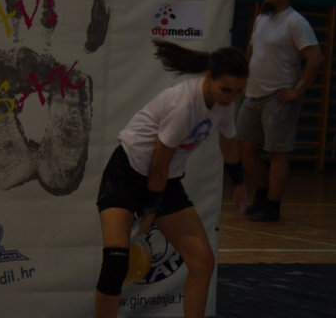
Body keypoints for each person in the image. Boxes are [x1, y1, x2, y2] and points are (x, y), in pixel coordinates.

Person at [94, 40, 249, 318]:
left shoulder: (223, 104)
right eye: (226, 89)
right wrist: (150, 212)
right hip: (127, 172)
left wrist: (238, 182)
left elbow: (228, 142)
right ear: (209, 77)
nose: (231, 98)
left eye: (238, 91)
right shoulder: (183, 105)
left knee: (202, 262)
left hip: (165, 179)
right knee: (116, 261)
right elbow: (158, 165)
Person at [236, 0, 324, 222]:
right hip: (252, 94)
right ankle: (262, 195)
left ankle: (273, 207)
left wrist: (297, 90)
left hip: (279, 96)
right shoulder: (262, 18)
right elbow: (251, 49)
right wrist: (243, 77)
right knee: (244, 148)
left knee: (277, 152)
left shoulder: (296, 22)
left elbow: (316, 58)